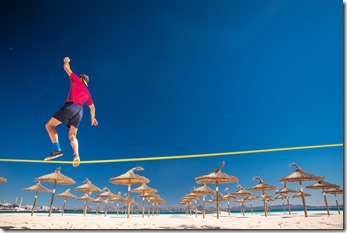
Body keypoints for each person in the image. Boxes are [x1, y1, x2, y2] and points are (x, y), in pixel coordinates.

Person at [44, 56, 98, 167]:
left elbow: (66, 68)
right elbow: (92, 107)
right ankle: (76, 155)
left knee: (49, 126)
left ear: (81, 78)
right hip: (80, 112)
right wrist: (92, 118)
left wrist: (66, 61)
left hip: (71, 106)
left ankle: (57, 150)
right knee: (72, 135)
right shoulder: (88, 93)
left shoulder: (77, 80)